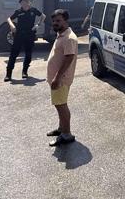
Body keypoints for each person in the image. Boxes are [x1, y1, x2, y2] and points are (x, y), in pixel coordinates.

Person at [46, 9, 78, 146]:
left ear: (66, 20)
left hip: (61, 80)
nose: (55, 23)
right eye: (53, 21)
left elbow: (69, 58)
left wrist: (57, 78)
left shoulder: (69, 38)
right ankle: (61, 129)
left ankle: (67, 134)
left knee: (61, 106)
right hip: (57, 79)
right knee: (59, 105)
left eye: (58, 21)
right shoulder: (62, 35)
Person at [5, 0, 45, 82]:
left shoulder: (33, 10)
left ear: (29, 2)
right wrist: (12, 25)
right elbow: (9, 19)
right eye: (23, 2)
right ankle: (8, 74)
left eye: (26, 1)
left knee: (28, 54)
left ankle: (24, 72)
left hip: (30, 34)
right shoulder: (18, 12)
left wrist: (38, 24)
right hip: (19, 35)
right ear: (20, 3)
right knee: (13, 54)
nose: (25, 3)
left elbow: (43, 16)